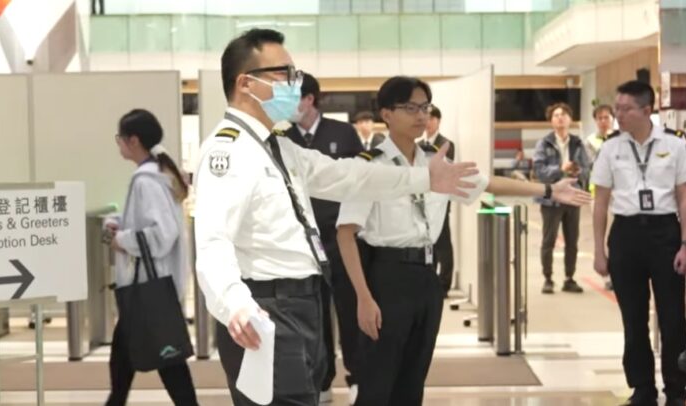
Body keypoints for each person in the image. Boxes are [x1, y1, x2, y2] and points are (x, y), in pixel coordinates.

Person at [194, 28, 484, 406]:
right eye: (284, 74)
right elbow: (213, 242)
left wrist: (425, 177)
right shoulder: (229, 150)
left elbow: (348, 175)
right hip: (267, 306)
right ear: (246, 83)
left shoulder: (277, 146)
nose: (294, 85)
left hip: (302, 303)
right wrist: (235, 304)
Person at [336, 76, 591, 406]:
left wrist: (548, 190)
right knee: (376, 383)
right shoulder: (369, 166)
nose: (420, 115)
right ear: (386, 113)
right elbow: (346, 234)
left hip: (427, 277)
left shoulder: (435, 162)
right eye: (410, 108)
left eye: (424, 108)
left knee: (413, 381)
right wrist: (363, 297)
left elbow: (489, 184)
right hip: (386, 278)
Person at [592, 80, 686, 406]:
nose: (618, 115)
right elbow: (600, 202)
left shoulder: (674, 144)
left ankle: (676, 390)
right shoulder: (611, 148)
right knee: (633, 318)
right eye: (617, 108)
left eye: (625, 109)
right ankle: (642, 388)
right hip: (625, 235)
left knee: (672, 318)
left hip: (665, 234)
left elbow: (685, 197)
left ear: (646, 110)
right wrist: (599, 249)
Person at [104, 109, 198, 406]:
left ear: (133, 141)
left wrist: (121, 240)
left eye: (120, 138)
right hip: (151, 287)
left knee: (168, 363)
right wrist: (120, 222)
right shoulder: (159, 174)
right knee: (126, 359)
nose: (118, 144)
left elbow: (161, 233)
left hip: (147, 287)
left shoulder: (146, 180)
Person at [285, 72, 365, 403]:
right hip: (300, 243)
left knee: (349, 310)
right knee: (313, 315)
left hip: (340, 239)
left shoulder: (343, 134)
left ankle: (357, 376)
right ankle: (322, 379)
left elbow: (360, 181)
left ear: (310, 99)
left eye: (293, 97)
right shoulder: (281, 137)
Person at [533, 102, 590, 294]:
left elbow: (587, 168)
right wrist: (561, 169)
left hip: (572, 197)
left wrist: (579, 170)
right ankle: (548, 279)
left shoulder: (578, 143)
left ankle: (569, 278)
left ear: (570, 120)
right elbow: (540, 171)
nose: (560, 118)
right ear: (551, 120)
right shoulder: (544, 143)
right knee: (548, 240)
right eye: (556, 115)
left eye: (564, 115)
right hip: (551, 199)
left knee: (572, 240)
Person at [417, 105, 456, 296]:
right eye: (426, 117)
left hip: (440, 201)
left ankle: (445, 283)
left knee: (443, 243)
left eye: (432, 118)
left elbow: (442, 171)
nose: (428, 122)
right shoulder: (418, 144)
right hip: (424, 202)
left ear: (438, 121)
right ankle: (430, 280)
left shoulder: (446, 143)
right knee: (428, 243)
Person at [586, 104, 619, 291]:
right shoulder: (590, 141)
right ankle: (607, 275)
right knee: (603, 234)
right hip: (597, 194)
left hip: (619, 194)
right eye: (599, 118)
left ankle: (617, 274)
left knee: (616, 235)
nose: (603, 121)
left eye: (606, 117)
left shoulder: (622, 137)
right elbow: (593, 163)